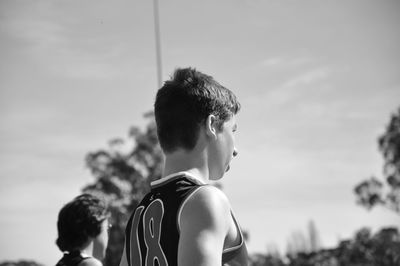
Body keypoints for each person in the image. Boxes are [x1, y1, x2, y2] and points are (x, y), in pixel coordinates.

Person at [119, 67, 248, 266]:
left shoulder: (139, 213)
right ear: (212, 125)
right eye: (233, 130)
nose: (235, 149)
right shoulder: (206, 200)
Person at [55, 193, 111, 266]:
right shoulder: (91, 264)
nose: (108, 235)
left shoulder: (63, 263)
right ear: (92, 229)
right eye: (107, 228)